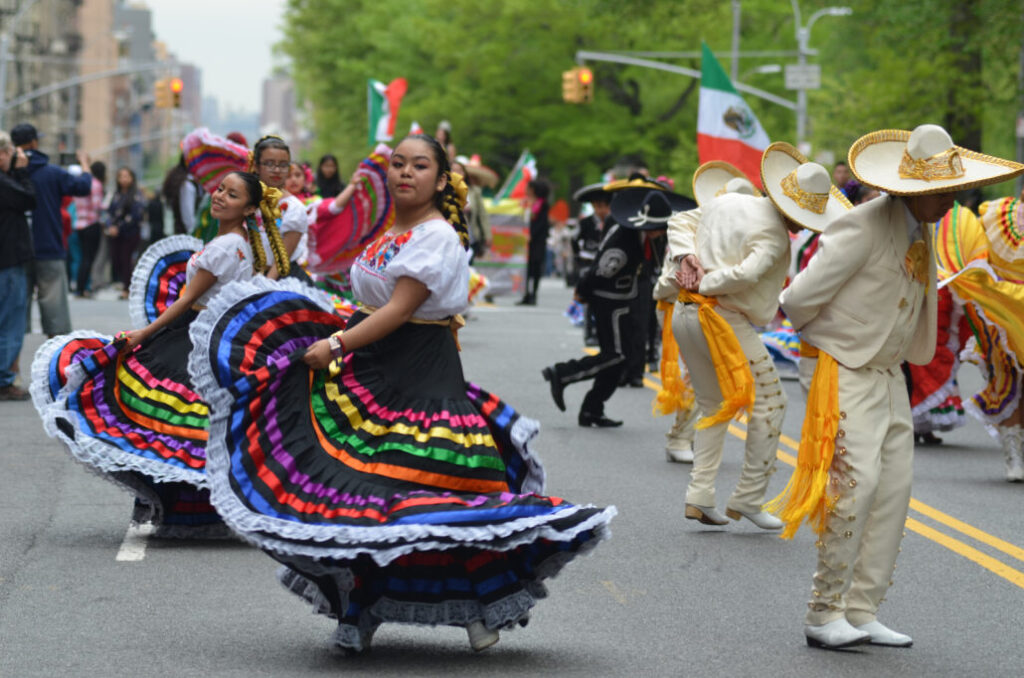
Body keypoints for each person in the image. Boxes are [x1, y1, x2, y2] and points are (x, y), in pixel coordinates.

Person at [188, 133, 616, 653]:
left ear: (441, 180)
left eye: (419, 166)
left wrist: (336, 343)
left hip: (423, 378)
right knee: (359, 497)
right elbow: (370, 305)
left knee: (438, 495)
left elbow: (399, 309)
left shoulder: (436, 237)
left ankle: (480, 609)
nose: (405, 173)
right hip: (371, 371)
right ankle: (358, 611)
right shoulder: (392, 232)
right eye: (397, 164)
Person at [771, 124, 1024, 650]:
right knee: (854, 487)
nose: (952, 200)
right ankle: (824, 613)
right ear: (911, 188)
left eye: (954, 190)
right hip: (846, 370)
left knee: (893, 491)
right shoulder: (861, 226)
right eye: (942, 192)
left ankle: (861, 610)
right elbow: (797, 300)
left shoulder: (923, 226)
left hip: (889, 372)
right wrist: (830, 345)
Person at [32, 171, 275, 536]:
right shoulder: (238, 242)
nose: (221, 196)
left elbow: (189, 298)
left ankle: (184, 507)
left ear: (250, 208)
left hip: (193, 336)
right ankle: (194, 509)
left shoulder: (227, 246)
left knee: (165, 420)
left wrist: (145, 332)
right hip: (206, 336)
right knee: (187, 425)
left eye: (233, 195)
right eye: (221, 189)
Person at [673, 146, 848, 531]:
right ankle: (749, 497)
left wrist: (683, 260)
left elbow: (679, 221)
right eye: (806, 218)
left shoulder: (731, 200)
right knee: (771, 401)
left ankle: (700, 495)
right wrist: (708, 282)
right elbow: (745, 275)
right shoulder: (775, 237)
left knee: (713, 405)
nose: (807, 226)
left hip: (684, 312)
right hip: (721, 318)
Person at [543, 177, 692, 427]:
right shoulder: (623, 241)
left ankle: (592, 409)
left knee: (621, 359)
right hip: (607, 302)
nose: (659, 232)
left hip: (627, 299)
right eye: (656, 227)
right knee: (614, 356)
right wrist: (581, 293)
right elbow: (599, 271)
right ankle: (563, 373)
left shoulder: (647, 235)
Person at [12, 123, 92, 337]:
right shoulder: (52, 173)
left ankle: (13, 368)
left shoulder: (8, 173)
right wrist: (85, 165)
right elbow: (83, 187)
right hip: (49, 247)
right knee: (56, 317)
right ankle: (54, 364)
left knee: (14, 315)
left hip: (14, 252)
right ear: (35, 143)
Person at [0, 132, 35, 401]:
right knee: (10, 321)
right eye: (11, 153)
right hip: (8, 260)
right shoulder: (5, 182)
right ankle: (4, 380)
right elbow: (28, 200)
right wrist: (22, 172)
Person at [249, 135, 308, 278]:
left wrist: (262, 289)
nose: (276, 170)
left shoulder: (294, 208)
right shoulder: (247, 201)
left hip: (280, 278)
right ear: (256, 166)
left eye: (283, 165)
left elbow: (281, 261)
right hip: (248, 275)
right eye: (269, 164)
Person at [572, 183, 612, 345]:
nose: (600, 211)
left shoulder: (613, 222)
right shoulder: (586, 223)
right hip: (588, 262)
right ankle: (589, 333)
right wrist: (578, 256)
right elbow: (574, 239)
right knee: (588, 299)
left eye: (603, 206)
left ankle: (603, 332)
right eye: (597, 207)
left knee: (605, 300)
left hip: (606, 265)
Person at [105, 167, 146, 299]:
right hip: (115, 234)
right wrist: (110, 226)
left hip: (130, 233)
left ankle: (127, 289)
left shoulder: (136, 195)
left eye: (126, 176)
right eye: (121, 176)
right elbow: (109, 213)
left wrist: (119, 227)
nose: (123, 179)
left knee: (126, 259)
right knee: (116, 259)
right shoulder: (116, 195)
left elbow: (136, 216)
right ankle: (125, 284)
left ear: (132, 178)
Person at [71, 161, 106, 298]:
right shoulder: (96, 184)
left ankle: (80, 287)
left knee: (82, 257)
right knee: (88, 258)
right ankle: (83, 289)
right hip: (91, 224)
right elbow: (97, 206)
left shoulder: (80, 183)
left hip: (79, 224)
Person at [517, 178, 550, 305]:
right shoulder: (524, 203)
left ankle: (534, 293)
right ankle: (525, 293)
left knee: (536, 266)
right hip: (524, 239)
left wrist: (532, 234)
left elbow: (542, 223)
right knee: (525, 268)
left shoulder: (542, 204)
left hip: (537, 240)